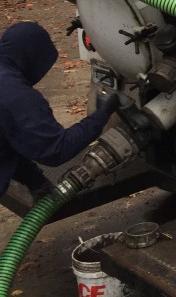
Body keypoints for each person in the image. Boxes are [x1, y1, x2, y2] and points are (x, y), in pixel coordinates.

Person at [0, 21, 119, 199]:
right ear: (32, 58)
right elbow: (56, 150)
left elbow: (7, 142)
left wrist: (34, 181)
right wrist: (100, 115)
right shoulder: (15, 96)